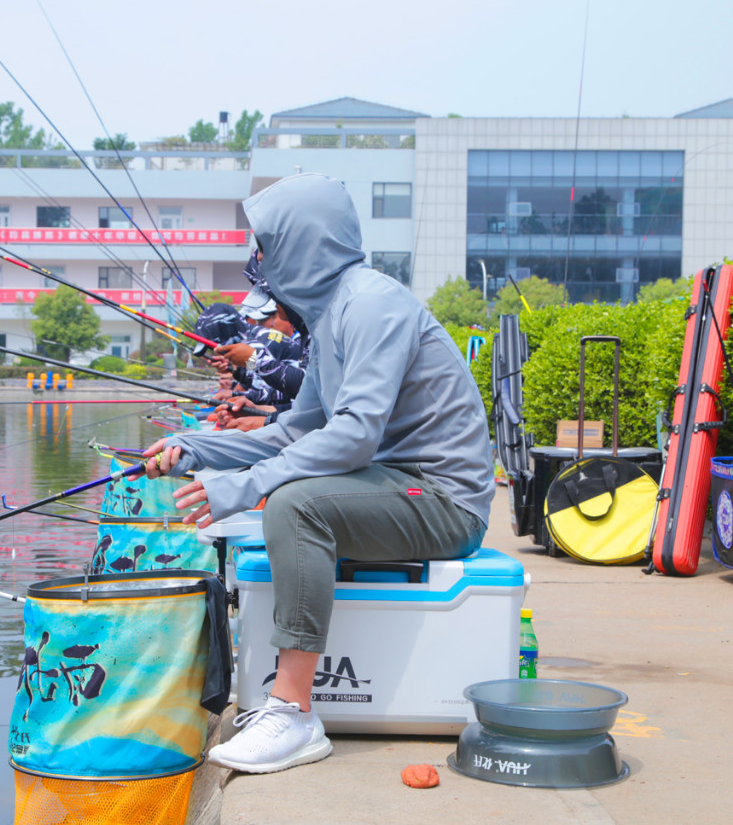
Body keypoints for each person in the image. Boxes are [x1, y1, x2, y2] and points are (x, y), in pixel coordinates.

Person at [141, 173, 492, 774]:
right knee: (287, 496)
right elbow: (295, 430)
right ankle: (286, 700)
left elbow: (355, 435)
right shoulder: (330, 317)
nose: (260, 261)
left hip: (442, 499)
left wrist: (245, 488)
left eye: (267, 245)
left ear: (302, 243)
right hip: (393, 485)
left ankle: (294, 712)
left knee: (293, 505)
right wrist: (194, 448)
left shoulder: (373, 303)